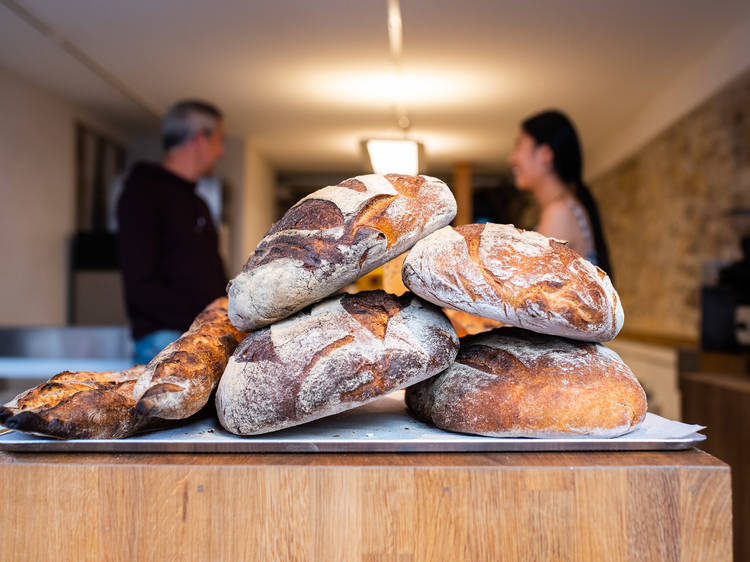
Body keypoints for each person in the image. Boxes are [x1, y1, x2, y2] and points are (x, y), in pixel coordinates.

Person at [118, 100, 228, 364]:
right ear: (200, 139)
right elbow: (139, 285)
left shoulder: (197, 202)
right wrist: (206, 314)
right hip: (166, 341)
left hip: (203, 335)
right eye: (219, 140)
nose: (221, 152)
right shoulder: (143, 193)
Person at [508, 109, 613, 279]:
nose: (512, 159)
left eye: (519, 145)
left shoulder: (559, 213)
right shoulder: (566, 206)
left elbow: (536, 289)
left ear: (545, 154)